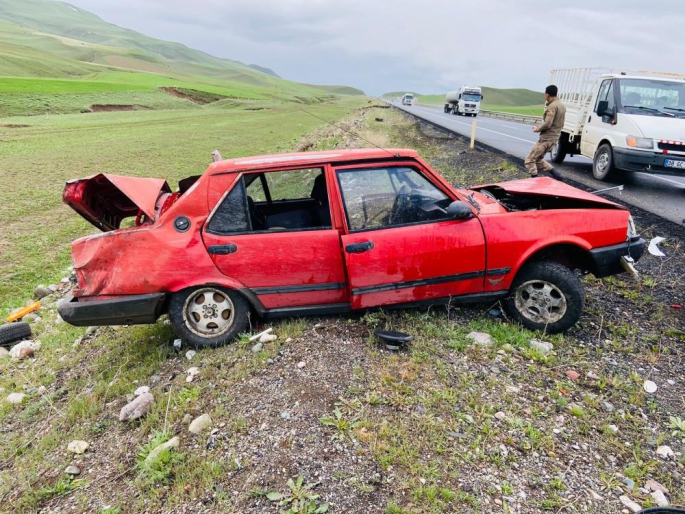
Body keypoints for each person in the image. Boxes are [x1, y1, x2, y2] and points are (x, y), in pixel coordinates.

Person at [525, 85, 566, 179]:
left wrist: (537, 129)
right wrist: (541, 126)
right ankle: (558, 176)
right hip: (554, 137)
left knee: (529, 160)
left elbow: (548, 123)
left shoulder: (552, 106)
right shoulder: (561, 105)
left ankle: (534, 180)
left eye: (545, 94)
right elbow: (557, 122)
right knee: (538, 159)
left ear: (547, 95)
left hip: (547, 138)